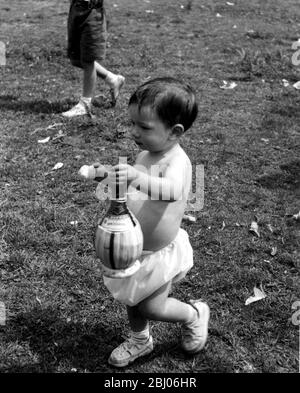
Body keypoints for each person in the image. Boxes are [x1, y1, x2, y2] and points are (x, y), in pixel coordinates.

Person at [88, 77, 210, 367]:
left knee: (152, 306)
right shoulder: (145, 154)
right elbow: (134, 187)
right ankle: (140, 340)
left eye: (144, 127)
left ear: (174, 131)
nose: (134, 132)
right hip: (134, 249)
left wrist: (136, 176)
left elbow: (171, 192)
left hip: (159, 253)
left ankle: (194, 314)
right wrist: (109, 176)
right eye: (132, 124)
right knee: (133, 301)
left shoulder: (177, 161)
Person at [62, 0, 125, 118]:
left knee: (87, 59)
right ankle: (113, 79)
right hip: (76, 9)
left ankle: (85, 105)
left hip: (92, 12)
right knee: (76, 58)